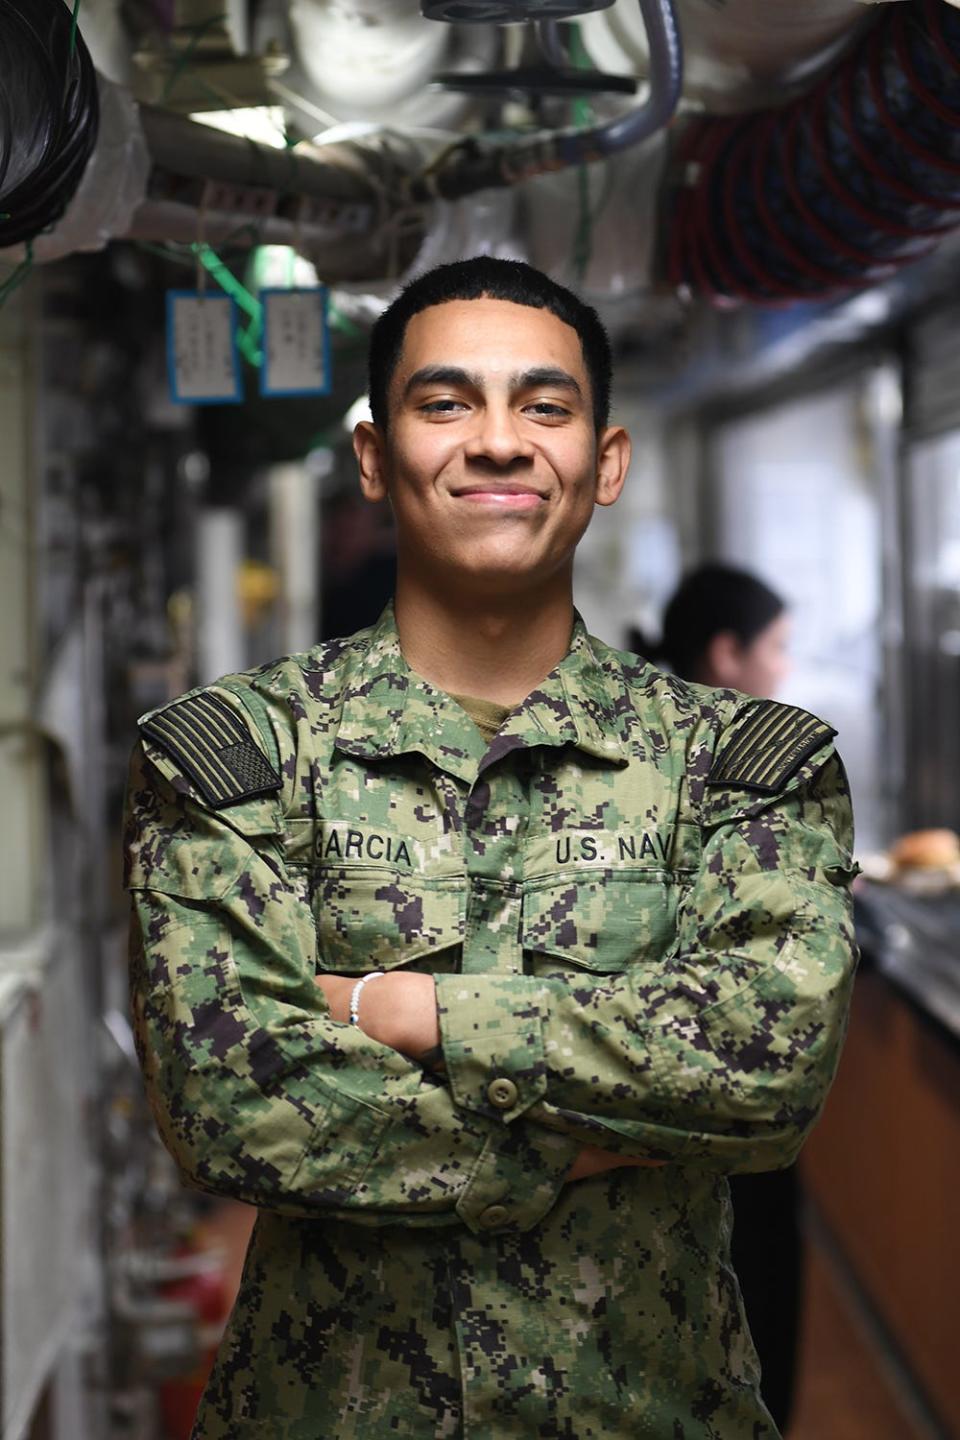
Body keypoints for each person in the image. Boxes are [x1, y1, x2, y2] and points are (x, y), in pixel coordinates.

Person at [125, 257, 858, 1439]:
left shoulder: (741, 765)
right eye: (446, 402)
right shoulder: (239, 756)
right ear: (375, 457)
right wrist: (575, 1141)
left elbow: (765, 1072)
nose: (500, 442)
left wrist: (404, 1012)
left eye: (546, 406)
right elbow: (229, 1097)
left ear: (604, 462)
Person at [630, 563, 803, 1435]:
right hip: (712, 1103)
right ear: (727, 654)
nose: (783, 667)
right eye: (775, 648)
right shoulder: (726, 765)